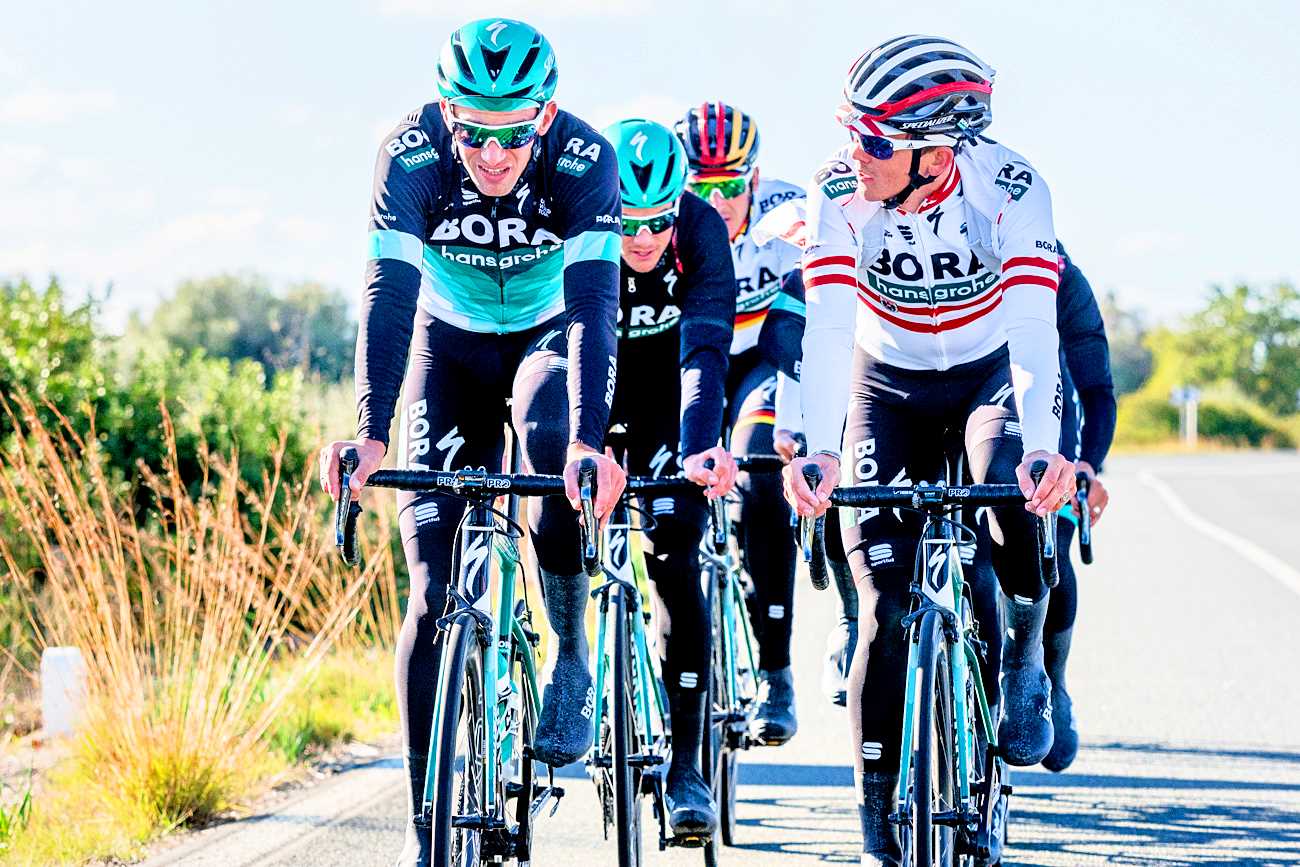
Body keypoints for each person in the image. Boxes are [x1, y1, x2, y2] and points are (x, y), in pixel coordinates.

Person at [316, 19, 627, 866]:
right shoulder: (409, 153)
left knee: (554, 445)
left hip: (545, 336)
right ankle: (426, 828)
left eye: (514, 134)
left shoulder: (585, 159)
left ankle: (570, 651)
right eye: (474, 133)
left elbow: (596, 308)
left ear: (546, 115)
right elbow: (388, 292)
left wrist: (588, 443)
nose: (493, 155)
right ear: (447, 113)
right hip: (445, 343)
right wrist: (371, 432)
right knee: (430, 588)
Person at [780, 36, 1076, 865]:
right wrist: (818, 446)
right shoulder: (838, 191)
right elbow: (828, 328)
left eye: (875, 141)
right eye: (850, 132)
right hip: (886, 383)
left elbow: (1033, 328)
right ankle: (878, 817)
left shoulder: (1011, 188)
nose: (855, 154)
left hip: (988, 377)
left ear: (938, 154)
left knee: (1012, 497)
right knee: (883, 603)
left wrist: (1044, 447)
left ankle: (1023, 652)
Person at [603, 118, 737, 836]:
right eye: (629, 223)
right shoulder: (577, 220)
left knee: (675, 555)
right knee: (558, 526)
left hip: (669, 399)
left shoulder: (702, 231)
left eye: (658, 222)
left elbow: (706, 350)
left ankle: (686, 766)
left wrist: (697, 448)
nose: (644, 238)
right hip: (593, 389)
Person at [675, 102, 806, 744]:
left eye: (731, 186)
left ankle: (776, 672)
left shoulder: (789, 215)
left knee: (761, 473)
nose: (719, 202)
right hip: (690, 356)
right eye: (702, 189)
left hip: (759, 358)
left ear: (755, 179)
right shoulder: (665, 218)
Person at [1041, 242, 1115, 772]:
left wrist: (1088, 463)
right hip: (951, 402)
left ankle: (1053, 681)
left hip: (1050, 412)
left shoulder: (1063, 278)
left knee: (1052, 545)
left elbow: (1095, 386)